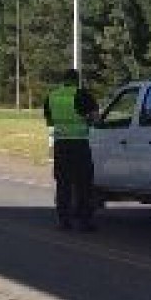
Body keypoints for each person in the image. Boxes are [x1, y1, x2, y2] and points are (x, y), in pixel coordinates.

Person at [43, 68, 99, 230]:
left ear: (63, 80)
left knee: (63, 183)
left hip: (61, 144)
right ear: (77, 80)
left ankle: (64, 220)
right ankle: (84, 221)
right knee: (83, 183)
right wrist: (87, 122)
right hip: (79, 144)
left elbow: (49, 122)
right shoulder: (83, 95)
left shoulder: (52, 97)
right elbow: (95, 118)